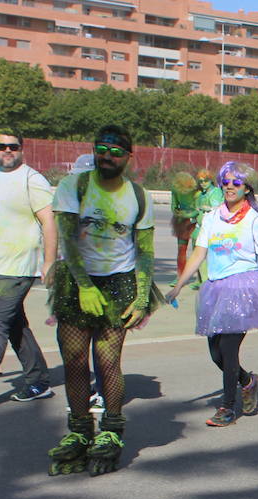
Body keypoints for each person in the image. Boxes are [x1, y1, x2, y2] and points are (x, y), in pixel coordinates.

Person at [46, 125, 156, 476]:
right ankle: (79, 431)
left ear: (128, 156)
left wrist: (141, 300)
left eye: (115, 151)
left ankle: (111, 429)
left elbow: (145, 251)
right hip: (77, 283)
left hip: (119, 284)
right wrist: (83, 286)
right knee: (75, 361)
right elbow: (67, 240)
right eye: (101, 149)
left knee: (108, 362)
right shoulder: (74, 186)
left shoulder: (138, 195)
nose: (106, 156)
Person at [167, 162, 258, 427]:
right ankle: (248, 382)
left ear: (247, 188)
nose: (229, 187)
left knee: (228, 348)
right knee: (217, 354)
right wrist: (179, 284)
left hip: (244, 289)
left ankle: (227, 408)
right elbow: (199, 253)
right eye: (225, 182)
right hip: (215, 288)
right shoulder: (213, 217)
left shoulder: (254, 221)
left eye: (236, 183)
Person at [0, 129, 56, 409]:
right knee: (13, 324)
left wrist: (50, 261)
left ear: (22, 148)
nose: (7, 151)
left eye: (13, 147)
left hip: (15, 268)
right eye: (2, 146)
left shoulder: (32, 180)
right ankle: (39, 379)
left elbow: (49, 222)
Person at [169, 171, 199, 278]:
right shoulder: (178, 190)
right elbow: (173, 206)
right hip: (186, 221)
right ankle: (182, 276)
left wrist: (183, 214)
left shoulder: (195, 191)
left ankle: (190, 277)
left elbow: (198, 209)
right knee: (186, 250)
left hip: (190, 221)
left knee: (193, 251)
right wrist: (181, 213)